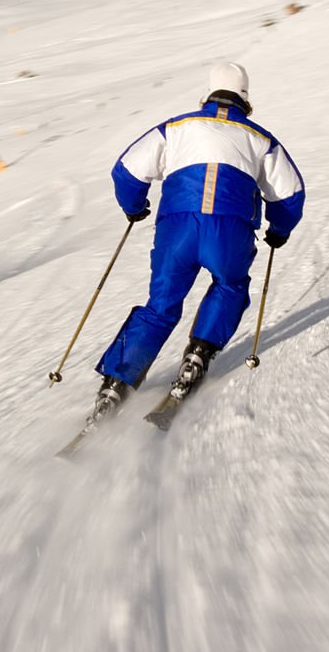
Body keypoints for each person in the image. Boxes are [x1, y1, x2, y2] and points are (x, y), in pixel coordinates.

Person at [93, 62, 304, 411]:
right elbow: (290, 195)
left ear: (206, 94)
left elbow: (127, 170)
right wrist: (278, 230)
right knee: (230, 286)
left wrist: (134, 206)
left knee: (160, 306)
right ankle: (197, 357)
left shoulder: (175, 127)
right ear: (245, 99)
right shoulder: (261, 139)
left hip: (177, 230)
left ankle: (115, 385)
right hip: (230, 231)